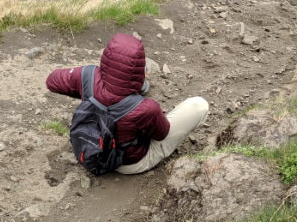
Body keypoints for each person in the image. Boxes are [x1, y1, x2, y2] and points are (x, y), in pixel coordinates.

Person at [45, 33, 209, 174]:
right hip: (128, 164)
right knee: (199, 105)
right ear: (139, 67)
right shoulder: (147, 109)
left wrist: (88, 92)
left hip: (93, 150)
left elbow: (52, 81)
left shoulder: (86, 75)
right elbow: (161, 134)